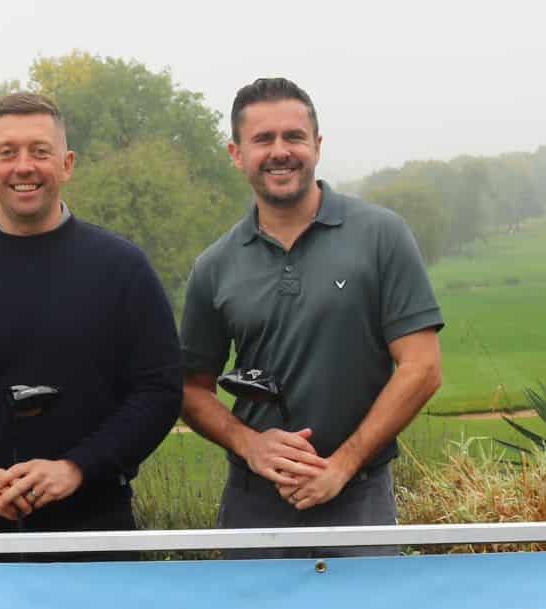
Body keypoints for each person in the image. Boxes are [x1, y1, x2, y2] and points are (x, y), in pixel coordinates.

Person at [0, 92, 181, 556]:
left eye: (39, 152)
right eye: (7, 153)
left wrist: (76, 468)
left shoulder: (123, 269)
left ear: (66, 164)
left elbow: (159, 391)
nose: (23, 167)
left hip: (99, 534)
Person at [179, 77, 443, 558]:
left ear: (317, 147)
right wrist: (251, 446)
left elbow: (422, 368)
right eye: (263, 139)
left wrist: (342, 464)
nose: (281, 151)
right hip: (252, 506)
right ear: (236, 154)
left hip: (358, 498)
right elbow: (191, 389)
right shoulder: (213, 266)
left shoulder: (381, 236)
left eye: (293, 137)